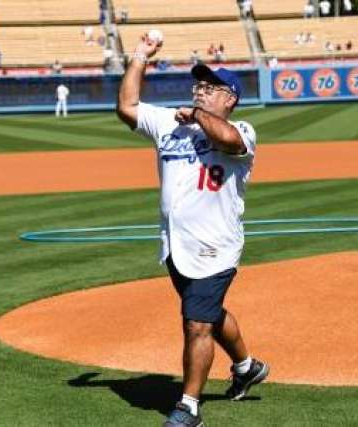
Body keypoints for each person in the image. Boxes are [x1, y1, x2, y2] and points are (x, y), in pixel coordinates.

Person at [116, 33, 269, 427]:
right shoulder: (170, 123)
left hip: (216, 246)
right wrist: (139, 57)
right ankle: (247, 366)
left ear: (229, 99)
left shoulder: (244, 130)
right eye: (198, 85)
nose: (201, 91)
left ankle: (189, 407)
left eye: (210, 87)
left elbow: (228, 140)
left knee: (197, 323)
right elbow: (127, 107)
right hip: (175, 246)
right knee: (208, 314)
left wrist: (196, 115)